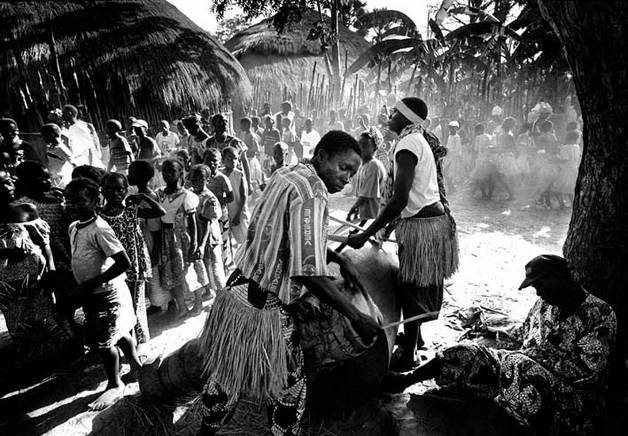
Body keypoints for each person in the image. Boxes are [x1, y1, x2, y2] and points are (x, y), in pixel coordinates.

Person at [197, 130, 379, 435]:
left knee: (227, 374)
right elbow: (305, 271)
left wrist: (337, 256)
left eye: (352, 173)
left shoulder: (286, 174)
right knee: (289, 388)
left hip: (236, 292)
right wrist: (355, 315)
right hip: (265, 308)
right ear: (321, 156)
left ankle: (206, 431)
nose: (347, 178)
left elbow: (288, 234)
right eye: (343, 167)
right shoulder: (313, 194)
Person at [384, 255, 617, 436]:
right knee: (465, 351)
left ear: (563, 277)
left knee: (517, 364)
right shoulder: (542, 306)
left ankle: (500, 418)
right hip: (517, 374)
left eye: (541, 284)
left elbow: (587, 373)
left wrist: (523, 359)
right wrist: (496, 346)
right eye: (535, 287)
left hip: (566, 400)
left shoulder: (600, 314)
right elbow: (521, 338)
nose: (538, 292)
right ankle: (406, 380)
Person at [347, 97, 459, 371]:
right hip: (427, 223)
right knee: (415, 285)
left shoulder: (408, 145)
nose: (390, 116)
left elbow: (399, 199)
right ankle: (416, 340)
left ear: (406, 118)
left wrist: (368, 233)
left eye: (395, 113)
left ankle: (408, 355)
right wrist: (387, 227)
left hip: (423, 227)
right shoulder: (414, 140)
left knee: (411, 288)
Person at [65, 177, 141, 410]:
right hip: (92, 293)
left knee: (104, 341)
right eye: (69, 201)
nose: (72, 205)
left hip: (107, 293)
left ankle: (114, 383)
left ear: (96, 201)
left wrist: (89, 284)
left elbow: (123, 262)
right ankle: (136, 367)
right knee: (115, 331)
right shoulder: (74, 227)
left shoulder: (100, 228)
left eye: (79, 201)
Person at [100, 173, 165, 345]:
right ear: (102, 190)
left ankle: (140, 342)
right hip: (113, 268)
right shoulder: (99, 215)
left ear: (126, 191)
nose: (115, 193)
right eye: (109, 189)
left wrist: (143, 196)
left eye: (120, 189)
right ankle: (125, 340)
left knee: (137, 304)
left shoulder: (131, 210)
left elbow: (160, 211)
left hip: (135, 264)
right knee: (119, 305)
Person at [156, 159, 206, 318]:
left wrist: (195, 245)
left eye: (172, 171)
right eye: (165, 171)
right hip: (166, 239)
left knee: (189, 273)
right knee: (170, 275)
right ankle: (182, 307)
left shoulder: (186, 196)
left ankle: (198, 303)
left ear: (180, 174)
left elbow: (193, 223)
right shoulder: (159, 193)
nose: (167, 174)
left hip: (182, 240)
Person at [189, 164, 226, 298]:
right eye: (194, 180)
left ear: (207, 180)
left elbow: (207, 223)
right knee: (204, 266)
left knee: (215, 267)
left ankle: (222, 295)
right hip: (198, 237)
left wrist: (202, 244)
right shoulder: (191, 194)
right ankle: (209, 291)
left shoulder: (209, 198)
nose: (197, 183)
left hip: (209, 238)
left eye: (201, 180)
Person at [347, 128, 387, 223]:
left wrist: (353, 209)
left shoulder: (374, 166)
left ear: (374, 148)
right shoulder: (363, 165)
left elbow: (365, 196)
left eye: (364, 145)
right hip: (365, 215)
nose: (360, 148)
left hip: (374, 216)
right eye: (359, 144)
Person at [204, 113, 251, 188]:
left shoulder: (235, 142)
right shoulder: (210, 142)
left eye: (226, 121)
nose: (224, 124)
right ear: (214, 126)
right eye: (220, 122)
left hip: (235, 179)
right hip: (217, 180)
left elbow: (244, 162)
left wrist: (249, 183)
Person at [205, 148, 233, 268]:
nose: (212, 163)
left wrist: (216, 201)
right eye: (208, 161)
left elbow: (231, 197)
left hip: (221, 215)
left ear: (219, 162)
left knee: (223, 240)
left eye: (214, 161)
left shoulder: (222, 178)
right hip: (206, 215)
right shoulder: (202, 177)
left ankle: (225, 266)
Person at [221, 147, 249, 246]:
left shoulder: (239, 174)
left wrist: (237, 215)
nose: (233, 161)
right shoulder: (219, 174)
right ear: (223, 160)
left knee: (243, 239)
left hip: (238, 211)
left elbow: (243, 197)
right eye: (229, 159)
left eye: (235, 158)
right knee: (225, 241)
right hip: (225, 212)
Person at [42, 123, 73, 187]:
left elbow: (74, 163)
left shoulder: (61, 149)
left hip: (62, 181)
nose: (43, 138)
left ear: (52, 135)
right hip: (54, 179)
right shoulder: (49, 148)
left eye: (44, 136)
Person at [239, 117, 263, 192]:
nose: (240, 127)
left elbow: (256, 149)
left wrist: (245, 150)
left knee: (252, 178)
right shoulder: (245, 134)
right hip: (247, 159)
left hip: (250, 160)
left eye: (242, 125)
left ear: (246, 125)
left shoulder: (252, 136)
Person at [443, 121, 463, 192]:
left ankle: (451, 187)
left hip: (453, 158)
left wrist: (449, 151)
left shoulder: (457, 137)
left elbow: (458, 149)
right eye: (450, 128)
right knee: (445, 172)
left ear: (456, 129)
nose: (451, 129)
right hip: (448, 157)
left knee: (449, 173)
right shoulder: (449, 136)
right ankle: (451, 186)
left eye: (453, 128)